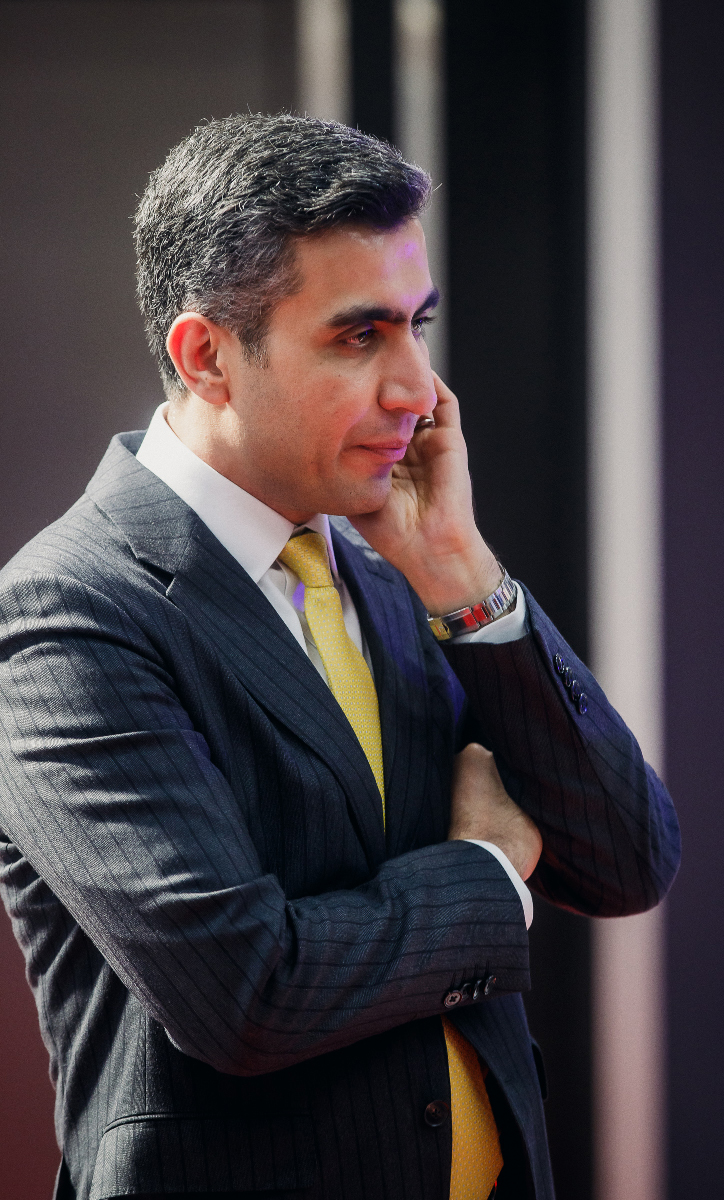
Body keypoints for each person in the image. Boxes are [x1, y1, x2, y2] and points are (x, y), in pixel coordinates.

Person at [0, 115, 680, 1200]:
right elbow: (249, 994)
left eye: (417, 326)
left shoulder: (400, 560)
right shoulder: (70, 610)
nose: (416, 388)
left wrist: (462, 575)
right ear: (205, 356)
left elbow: (626, 859)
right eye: (360, 336)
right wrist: (487, 876)